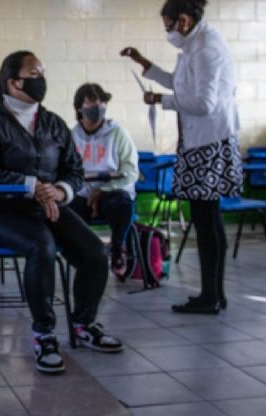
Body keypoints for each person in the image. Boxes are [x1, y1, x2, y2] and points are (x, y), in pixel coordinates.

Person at [0, 51, 123, 375]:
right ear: (14, 82)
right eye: (34, 74)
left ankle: (84, 324)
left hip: (49, 207)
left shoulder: (53, 123)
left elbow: (74, 170)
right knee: (42, 247)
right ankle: (44, 334)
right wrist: (33, 185)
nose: (41, 80)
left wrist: (60, 190)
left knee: (94, 251)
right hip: (0, 212)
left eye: (42, 73)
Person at [122, 0, 242, 314]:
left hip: (208, 144)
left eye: (169, 26)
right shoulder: (196, 46)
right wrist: (143, 62)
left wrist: (161, 100)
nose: (168, 32)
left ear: (184, 21)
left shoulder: (207, 48)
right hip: (202, 141)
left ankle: (210, 297)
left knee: (206, 222)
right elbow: (180, 83)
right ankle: (214, 295)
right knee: (208, 221)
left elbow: (204, 103)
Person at [68, 83, 139, 277]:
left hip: (112, 189)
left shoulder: (118, 133)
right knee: (66, 209)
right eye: (91, 103)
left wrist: (103, 190)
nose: (97, 108)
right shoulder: (71, 136)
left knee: (121, 202)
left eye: (101, 103)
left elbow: (130, 171)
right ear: (79, 108)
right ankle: (84, 255)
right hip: (82, 191)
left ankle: (117, 248)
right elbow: (65, 170)